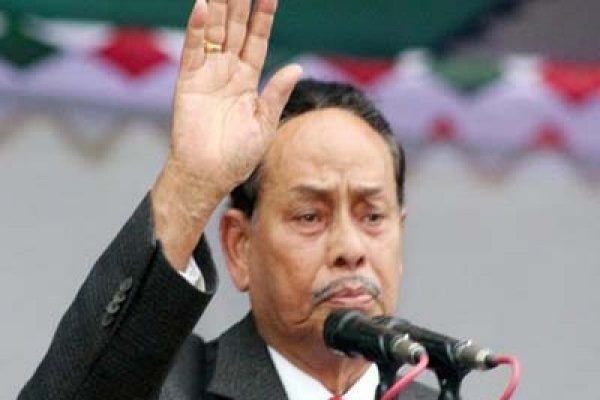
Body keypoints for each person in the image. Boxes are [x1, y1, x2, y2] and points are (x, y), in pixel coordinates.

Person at [19, 0, 437, 399]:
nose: (350, 249)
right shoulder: (170, 389)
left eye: (373, 216)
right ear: (239, 247)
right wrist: (189, 183)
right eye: (310, 216)